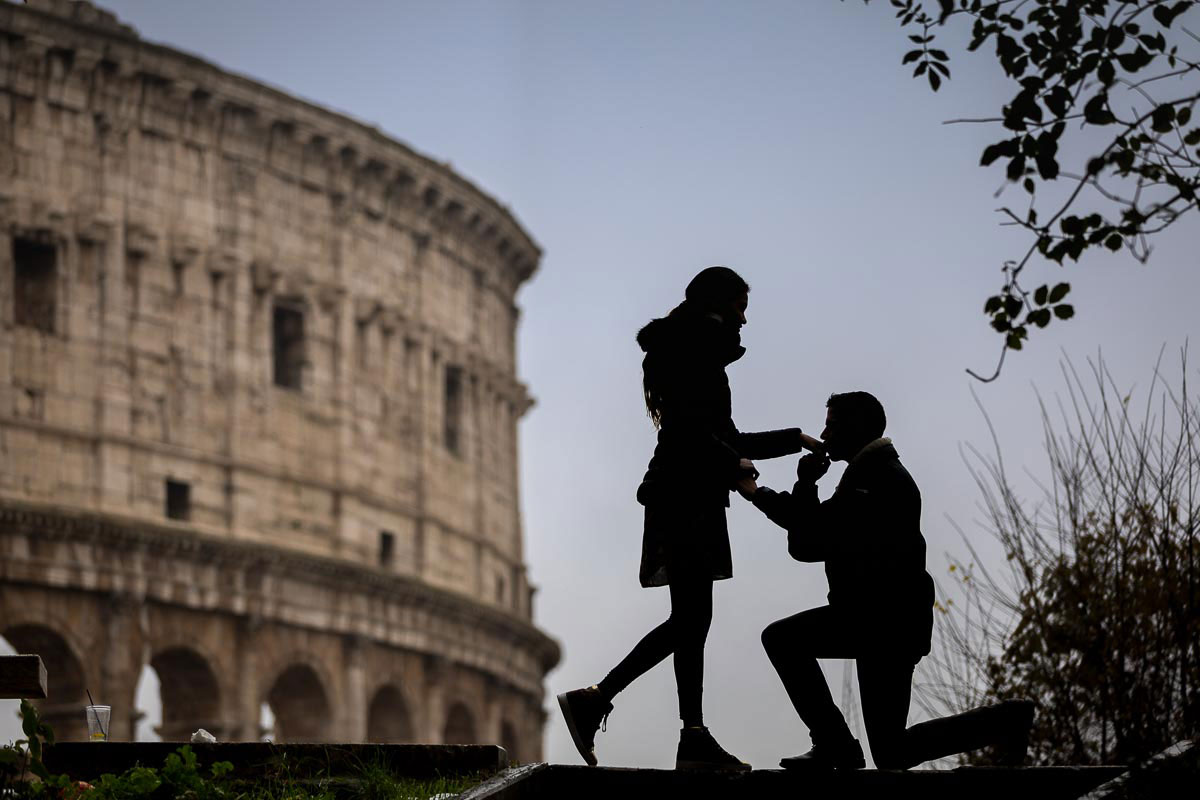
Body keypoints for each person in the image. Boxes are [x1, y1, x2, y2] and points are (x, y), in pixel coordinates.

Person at [557, 267, 821, 770]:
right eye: (741, 306)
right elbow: (691, 434)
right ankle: (608, 704)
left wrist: (795, 440)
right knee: (692, 620)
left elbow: (720, 434)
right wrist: (732, 464)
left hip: (684, 493)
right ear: (717, 305)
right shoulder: (696, 351)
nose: (745, 319)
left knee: (690, 621)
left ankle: (685, 733)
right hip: (685, 497)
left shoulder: (689, 349)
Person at [736, 391, 1034, 770]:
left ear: (856, 427)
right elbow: (807, 542)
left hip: (882, 622)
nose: (824, 434)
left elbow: (812, 536)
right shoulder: (866, 474)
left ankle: (834, 743)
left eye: (832, 424)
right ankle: (1006, 720)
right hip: (882, 623)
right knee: (893, 752)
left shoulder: (877, 477)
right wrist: (802, 486)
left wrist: (759, 493)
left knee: (782, 639)